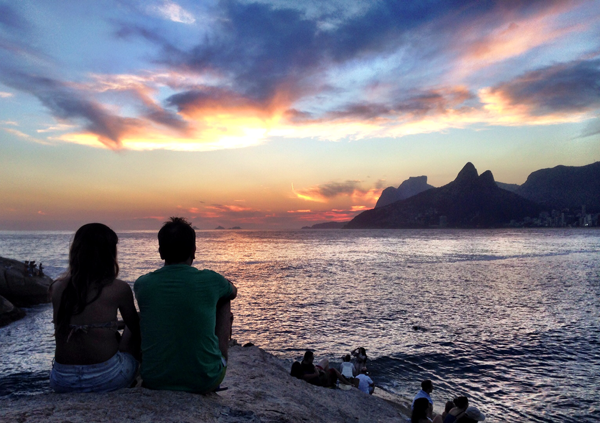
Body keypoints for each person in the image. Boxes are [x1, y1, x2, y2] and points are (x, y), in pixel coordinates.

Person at [134, 217, 237, 393]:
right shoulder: (212, 279)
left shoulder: (142, 284)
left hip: (154, 380)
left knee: (145, 311)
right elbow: (233, 292)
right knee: (224, 299)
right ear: (194, 251)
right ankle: (219, 357)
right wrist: (219, 285)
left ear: (161, 252)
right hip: (206, 381)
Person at [49, 223, 140, 393]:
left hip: (62, 380)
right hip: (107, 378)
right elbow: (135, 328)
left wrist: (114, 324)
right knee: (137, 324)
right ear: (109, 254)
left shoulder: (57, 288)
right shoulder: (118, 288)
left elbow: (83, 322)